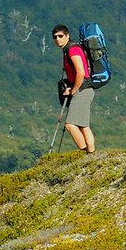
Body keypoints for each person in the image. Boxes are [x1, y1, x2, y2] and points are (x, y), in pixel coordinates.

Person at [52, 25, 96, 154]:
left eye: (61, 36)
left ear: (67, 36)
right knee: (83, 126)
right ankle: (91, 153)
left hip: (83, 90)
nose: (57, 39)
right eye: (55, 37)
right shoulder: (69, 50)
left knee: (70, 125)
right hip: (85, 89)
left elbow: (80, 72)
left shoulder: (73, 50)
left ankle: (85, 154)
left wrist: (73, 90)